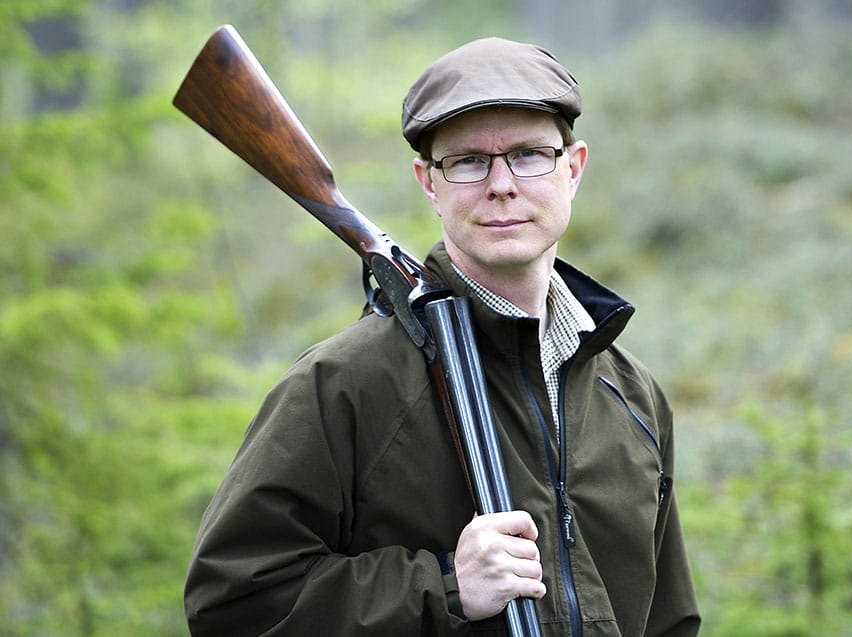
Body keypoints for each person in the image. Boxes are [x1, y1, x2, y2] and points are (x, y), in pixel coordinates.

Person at [184, 36, 701, 636]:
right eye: (467, 161)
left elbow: (670, 622)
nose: (502, 184)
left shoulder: (633, 394)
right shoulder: (344, 384)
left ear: (574, 168)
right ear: (428, 182)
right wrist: (445, 586)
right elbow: (233, 606)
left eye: (530, 154)